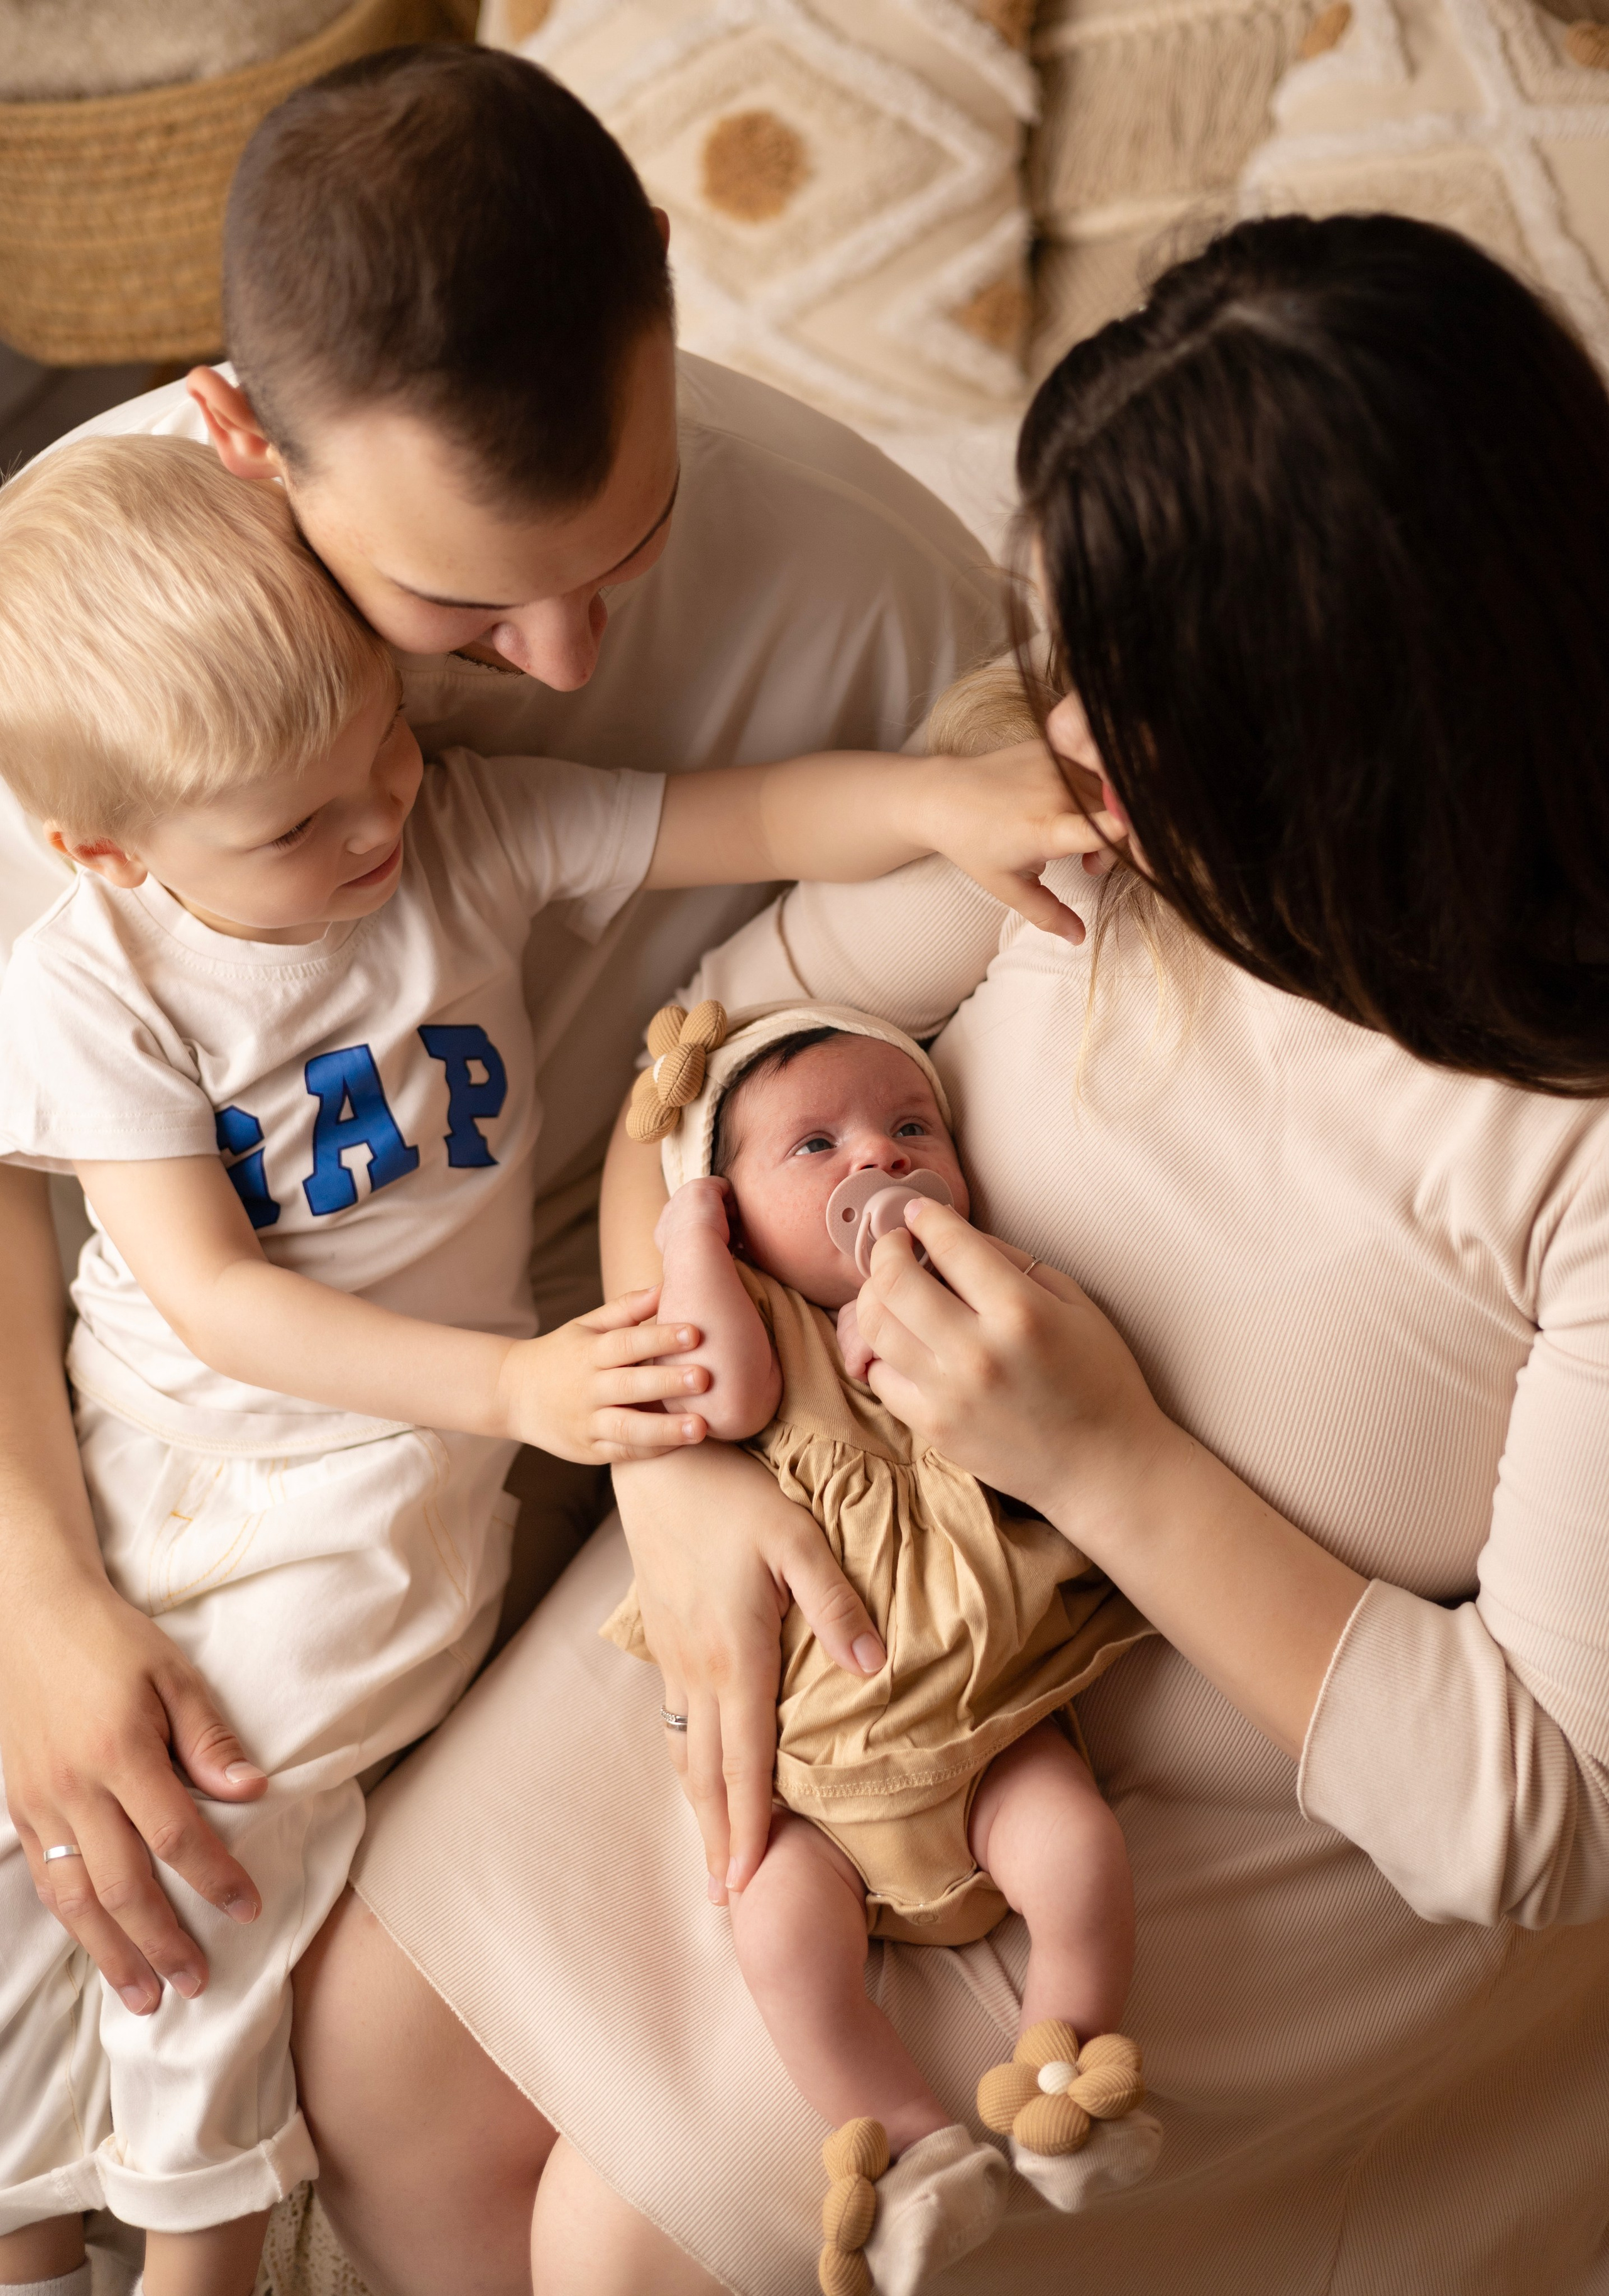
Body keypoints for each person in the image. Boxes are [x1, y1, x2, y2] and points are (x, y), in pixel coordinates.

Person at [278, 211, 1609, 2296]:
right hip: (822, 1553)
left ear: (1351, 746)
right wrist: (676, 1473)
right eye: (1064, 660)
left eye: (1133, 700)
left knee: (624, 2243)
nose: (1062, 735)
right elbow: (699, 1062)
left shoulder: (1568, 1139)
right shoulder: (1079, 812)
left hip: (1235, 1794)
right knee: (368, 2055)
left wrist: (1102, 1456)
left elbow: (1545, 1817)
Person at [0, 45, 1010, 2275]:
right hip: (164, 1410)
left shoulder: (877, 597)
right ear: (246, 441)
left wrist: (678, 1405)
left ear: (666, 283)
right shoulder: (91, 624)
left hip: (626, 1391)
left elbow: (935, 1040)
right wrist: (37, 1588)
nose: (567, 659)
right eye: (457, 618)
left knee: (308, 2012)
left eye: (627, 553)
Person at [608, 1009, 1156, 2293]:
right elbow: (722, 1400)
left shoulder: (971, 1296)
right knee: (776, 1933)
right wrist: (686, 1243)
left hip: (985, 1728)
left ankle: (1062, 2071)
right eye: (814, 1145)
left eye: (912, 1128)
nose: (881, 1161)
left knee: (1075, 1856)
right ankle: (913, 2150)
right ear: (729, 1209)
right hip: (814, 1788)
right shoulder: (755, 1316)